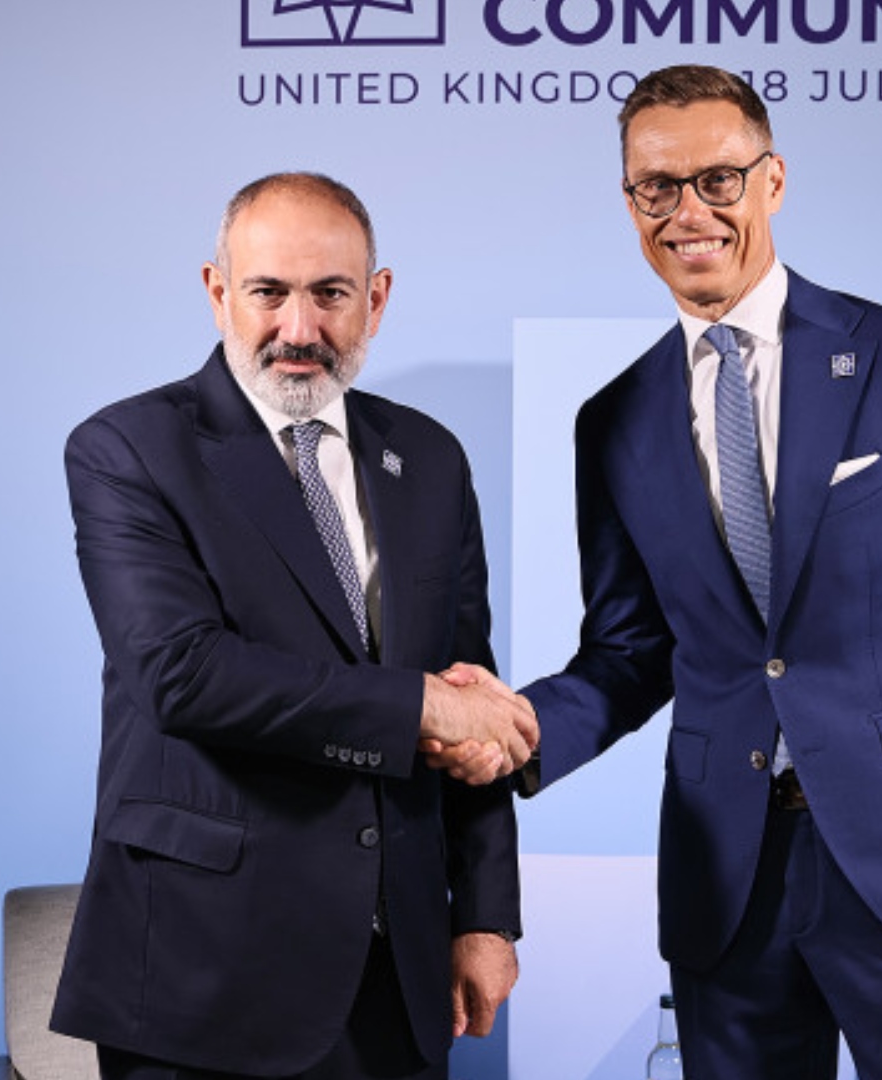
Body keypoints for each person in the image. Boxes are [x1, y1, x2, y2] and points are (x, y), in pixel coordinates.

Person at [441, 65, 882, 1078]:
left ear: (773, 180)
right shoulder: (613, 421)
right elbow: (632, 654)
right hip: (728, 883)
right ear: (630, 203)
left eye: (718, 180)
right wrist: (517, 729)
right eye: (659, 187)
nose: (689, 212)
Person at [50, 172, 536, 1080]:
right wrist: (422, 706)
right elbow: (183, 675)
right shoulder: (127, 449)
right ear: (217, 292)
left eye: (331, 294)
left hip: (399, 977)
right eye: (269, 292)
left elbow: (471, 686)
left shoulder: (429, 457)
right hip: (203, 978)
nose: (300, 328)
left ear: (377, 299)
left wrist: (483, 915)